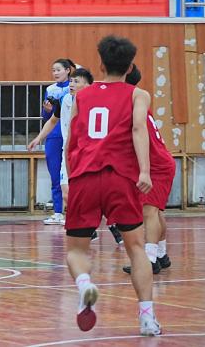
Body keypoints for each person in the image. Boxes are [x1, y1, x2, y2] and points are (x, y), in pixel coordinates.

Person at [63, 35, 161, 337]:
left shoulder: (82, 96)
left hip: (85, 176)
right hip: (120, 177)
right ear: (130, 67)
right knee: (136, 248)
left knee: (76, 250)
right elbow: (138, 129)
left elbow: (71, 141)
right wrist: (144, 171)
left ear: (101, 65)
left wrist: (70, 179)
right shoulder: (138, 94)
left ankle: (85, 284)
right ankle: (147, 318)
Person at [121, 64, 176, 276]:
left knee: (149, 211)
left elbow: (136, 131)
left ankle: (150, 260)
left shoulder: (133, 102)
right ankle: (161, 254)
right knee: (156, 211)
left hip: (157, 165)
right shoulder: (138, 101)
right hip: (160, 162)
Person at [30, 65, 92, 226]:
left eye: (76, 81)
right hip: (68, 151)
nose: (72, 84)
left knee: (92, 192)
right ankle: (82, 225)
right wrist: (38, 138)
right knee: (66, 193)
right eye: (71, 81)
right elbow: (52, 121)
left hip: (88, 152)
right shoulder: (64, 100)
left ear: (87, 86)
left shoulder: (94, 102)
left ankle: (106, 223)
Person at [30, 58, 75, 225]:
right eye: (53, 70)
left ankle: (75, 212)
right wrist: (47, 110)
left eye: (58, 70)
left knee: (74, 176)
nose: (55, 73)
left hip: (71, 135)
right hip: (54, 135)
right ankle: (58, 212)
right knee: (56, 173)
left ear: (68, 70)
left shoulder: (74, 89)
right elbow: (48, 118)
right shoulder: (50, 89)